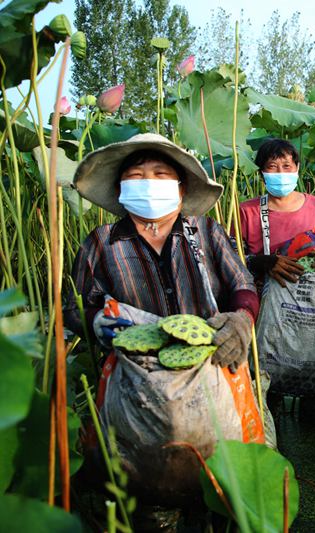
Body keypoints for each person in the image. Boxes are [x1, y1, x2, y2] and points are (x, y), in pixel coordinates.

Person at [65, 133, 268, 507]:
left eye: (160, 174)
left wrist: (241, 320)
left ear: (180, 186)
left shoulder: (205, 231)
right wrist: (103, 325)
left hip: (211, 366)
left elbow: (242, 283)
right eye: (137, 176)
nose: (148, 183)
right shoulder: (101, 241)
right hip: (135, 377)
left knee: (224, 486)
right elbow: (78, 306)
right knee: (145, 489)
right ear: (120, 187)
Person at [238, 138, 315, 397]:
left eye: (286, 166)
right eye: (273, 167)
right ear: (262, 173)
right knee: (272, 362)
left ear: (297, 168)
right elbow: (233, 256)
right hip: (270, 303)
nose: (280, 173)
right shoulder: (249, 211)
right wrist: (262, 262)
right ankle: (271, 398)